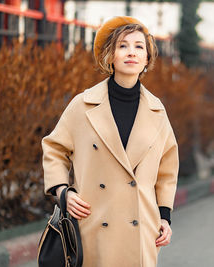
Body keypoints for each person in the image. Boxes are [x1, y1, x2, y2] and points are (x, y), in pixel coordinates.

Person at [41, 16, 179, 267]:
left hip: (142, 229)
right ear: (110, 55)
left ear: (147, 59)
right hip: (93, 225)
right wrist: (63, 192)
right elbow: (54, 149)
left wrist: (165, 217)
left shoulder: (157, 111)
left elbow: (167, 171)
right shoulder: (83, 105)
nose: (131, 52)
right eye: (123, 45)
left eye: (139, 46)